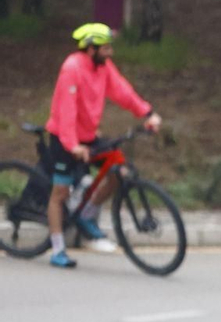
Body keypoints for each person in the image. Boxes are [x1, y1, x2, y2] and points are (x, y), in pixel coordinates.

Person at [43, 23, 163, 268]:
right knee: (60, 194)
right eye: (106, 48)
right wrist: (72, 144)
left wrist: (147, 112)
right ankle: (57, 250)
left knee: (119, 171)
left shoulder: (103, 67)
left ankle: (86, 215)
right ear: (90, 49)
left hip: (88, 136)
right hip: (64, 138)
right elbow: (66, 110)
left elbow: (122, 91)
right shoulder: (72, 68)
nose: (110, 53)